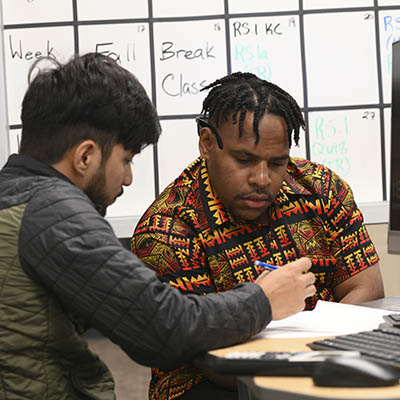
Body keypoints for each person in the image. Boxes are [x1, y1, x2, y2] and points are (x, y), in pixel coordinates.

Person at [0, 54, 316, 400]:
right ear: (85, 156)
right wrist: (264, 299)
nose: (129, 177)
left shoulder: (14, 199)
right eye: (126, 159)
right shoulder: (55, 214)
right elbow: (163, 326)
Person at [131, 72, 385, 399]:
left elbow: (367, 289)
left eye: (277, 163)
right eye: (244, 159)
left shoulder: (322, 190)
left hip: (327, 365)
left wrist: (315, 361)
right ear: (207, 144)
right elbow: (207, 355)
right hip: (208, 384)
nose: (262, 179)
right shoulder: (168, 229)